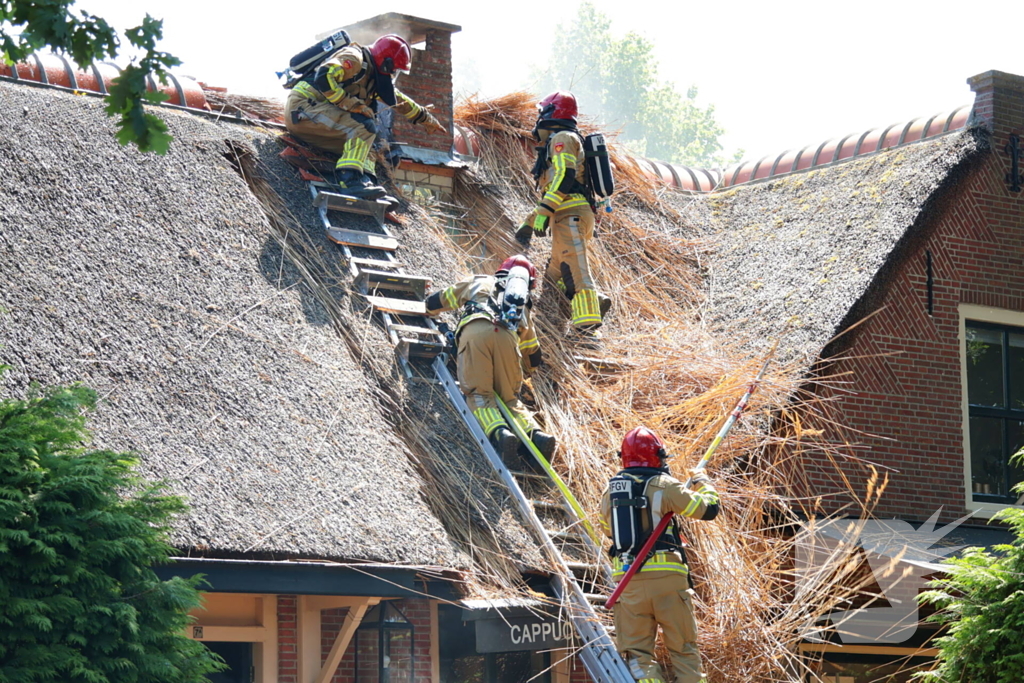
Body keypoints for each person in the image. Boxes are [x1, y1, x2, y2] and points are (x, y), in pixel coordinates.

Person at [600, 427, 720, 683]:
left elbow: (607, 529)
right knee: (684, 650)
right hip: (668, 581)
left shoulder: (609, 492)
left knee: (638, 656)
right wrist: (703, 482)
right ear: (658, 456)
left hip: (628, 583)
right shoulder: (665, 486)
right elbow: (708, 510)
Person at [424, 255, 555, 461]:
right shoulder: (522, 308)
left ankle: (500, 435)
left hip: (476, 333)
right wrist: (521, 372)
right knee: (510, 399)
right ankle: (536, 436)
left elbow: (443, 299)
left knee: (479, 394)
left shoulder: (479, 281)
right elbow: (532, 352)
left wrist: (428, 307)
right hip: (508, 341)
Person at [284, 34, 446, 198]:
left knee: (369, 142)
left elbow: (398, 100)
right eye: (394, 69)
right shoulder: (354, 58)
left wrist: (425, 118)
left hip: (318, 117)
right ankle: (349, 180)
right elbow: (325, 77)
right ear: (385, 62)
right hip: (302, 110)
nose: (394, 73)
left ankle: (366, 182)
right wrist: (352, 104)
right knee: (363, 127)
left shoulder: (371, 76)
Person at [517, 91, 610, 333]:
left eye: (541, 112)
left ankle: (589, 331)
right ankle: (596, 302)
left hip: (570, 215)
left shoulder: (563, 138)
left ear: (551, 113)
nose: (538, 118)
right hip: (564, 216)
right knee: (556, 277)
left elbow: (564, 177)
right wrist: (530, 222)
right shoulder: (558, 140)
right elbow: (554, 187)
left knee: (577, 273)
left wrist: (545, 212)